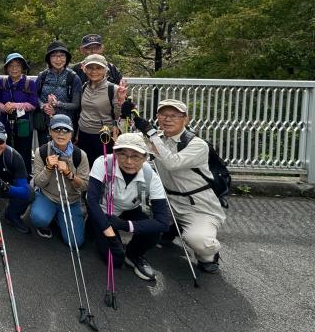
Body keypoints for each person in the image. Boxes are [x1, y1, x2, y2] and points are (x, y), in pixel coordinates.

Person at [131, 99, 226, 273]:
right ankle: (170, 228)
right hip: (166, 200)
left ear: (186, 119)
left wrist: (151, 134)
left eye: (174, 115)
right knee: (140, 222)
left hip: (197, 205)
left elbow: (172, 163)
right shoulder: (157, 138)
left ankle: (209, 255)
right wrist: (123, 113)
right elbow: (128, 145)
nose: (168, 119)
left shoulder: (197, 145)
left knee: (199, 241)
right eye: (163, 115)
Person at [86, 132, 170, 281]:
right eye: (123, 154)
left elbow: (162, 222)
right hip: (104, 210)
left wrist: (125, 225)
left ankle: (134, 254)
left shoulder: (151, 176)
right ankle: (95, 229)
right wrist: (110, 234)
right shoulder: (103, 162)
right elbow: (91, 201)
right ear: (115, 154)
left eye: (136, 156)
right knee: (116, 260)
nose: (129, 161)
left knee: (153, 231)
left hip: (130, 210)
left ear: (145, 157)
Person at [30, 115, 90, 243]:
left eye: (65, 130)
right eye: (57, 129)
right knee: (38, 218)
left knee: (75, 243)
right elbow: (38, 182)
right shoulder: (41, 151)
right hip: (48, 196)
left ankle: (59, 218)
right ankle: (47, 217)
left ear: (71, 133)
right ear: (50, 131)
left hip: (71, 200)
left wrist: (69, 173)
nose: (61, 134)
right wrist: (48, 168)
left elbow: (85, 186)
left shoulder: (80, 155)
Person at [75, 53, 127, 166]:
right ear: (85, 69)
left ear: (105, 70)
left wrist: (120, 101)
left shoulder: (113, 89)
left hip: (103, 136)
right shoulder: (84, 87)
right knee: (85, 166)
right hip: (84, 134)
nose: (94, 71)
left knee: (103, 168)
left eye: (99, 68)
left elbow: (118, 116)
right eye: (90, 68)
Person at [0, 53, 38, 176]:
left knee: (24, 150)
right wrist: (4, 108)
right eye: (11, 66)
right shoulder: (1, 83)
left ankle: (24, 176)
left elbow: (33, 104)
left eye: (17, 66)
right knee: (4, 147)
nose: (14, 69)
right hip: (5, 122)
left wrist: (15, 105)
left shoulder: (29, 83)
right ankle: (6, 175)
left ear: (22, 67)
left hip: (23, 123)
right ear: (6, 68)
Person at [33, 41, 82, 146]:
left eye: (62, 56)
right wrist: (43, 106)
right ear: (49, 59)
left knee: (63, 156)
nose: (58, 59)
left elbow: (76, 104)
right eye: (54, 56)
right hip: (44, 124)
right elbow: (34, 96)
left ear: (66, 58)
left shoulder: (73, 78)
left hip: (65, 126)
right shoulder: (42, 76)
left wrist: (57, 104)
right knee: (45, 152)